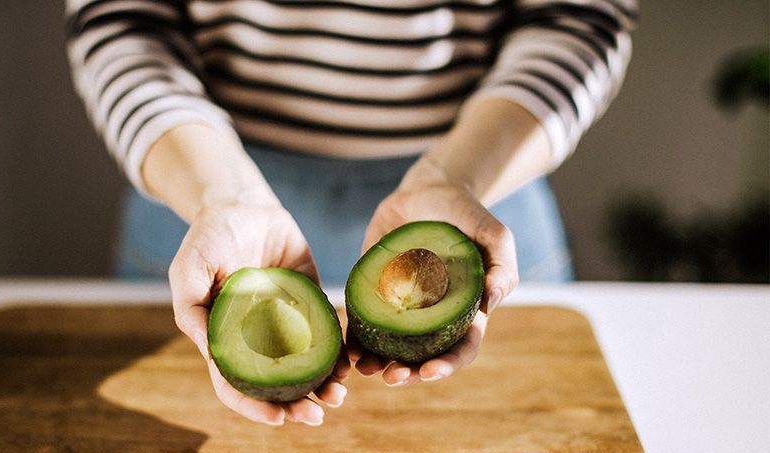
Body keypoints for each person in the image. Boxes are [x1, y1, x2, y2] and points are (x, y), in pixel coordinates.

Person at [66, 0, 636, 426]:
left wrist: (453, 175)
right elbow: (121, 23)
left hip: (476, 179)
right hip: (201, 185)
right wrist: (223, 196)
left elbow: (576, 20)